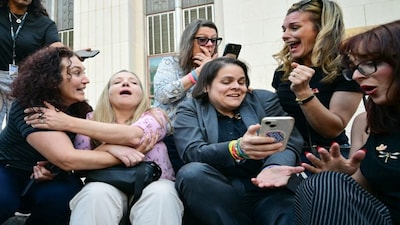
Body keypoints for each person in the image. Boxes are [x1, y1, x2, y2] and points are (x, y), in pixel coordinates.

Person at [0, 46, 165, 225]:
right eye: (76, 73)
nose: (86, 80)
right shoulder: (31, 106)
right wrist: (115, 150)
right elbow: (69, 160)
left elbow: (83, 157)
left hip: (49, 176)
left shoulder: (81, 112)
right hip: (8, 169)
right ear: (51, 78)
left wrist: (68, 125)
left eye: (83, 73)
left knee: (64, 194)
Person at [25, 70, 183, 225]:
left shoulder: (156, 115)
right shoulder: (91, 119)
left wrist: (68, 122)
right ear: (108, 93)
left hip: (156, 182)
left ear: (142, 94)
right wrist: (109, 148)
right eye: (117, 82)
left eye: (134, 82)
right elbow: (80, 166)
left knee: (162, 195)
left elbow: (136, 136)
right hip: (107, 183)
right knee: (94, 195)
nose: (126, 83)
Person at [174, 57, 304, 225]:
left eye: (241, 82)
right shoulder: (190, 108)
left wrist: (274, 167)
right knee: (191, 173)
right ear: (206, 86)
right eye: (226, 82)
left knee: (285, 213)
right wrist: (237, 149)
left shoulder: (262, 100)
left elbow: (287, 140)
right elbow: (192, 152)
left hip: (265, 187)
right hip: (218, 192)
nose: (236, 86)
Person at [295, 19, 400, 225]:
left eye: (369, 64)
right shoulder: (366, 123)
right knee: (319, 185)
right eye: (354, 68)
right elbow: (361, 193)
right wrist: (339, 177)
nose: (357, 76)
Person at [271, 0, 363, 159]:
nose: (285, 35)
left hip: (328, 157)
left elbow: (332, 129)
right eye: (284, 29)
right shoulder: (283, 72)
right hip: (288, 155)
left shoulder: (346, 70)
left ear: (321, 30)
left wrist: (304, 92)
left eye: (294, 27)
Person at [153, 19, 222, 173]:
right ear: (189, 41)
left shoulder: (217, 69)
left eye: (214, 40)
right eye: (203, 40)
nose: (210, 44)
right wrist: (198, 73)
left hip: (206, 138)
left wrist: (222, 76)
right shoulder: (171, 63)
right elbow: (163, 94)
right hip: (172, 136)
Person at [0, 0, 63, 132]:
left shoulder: (44, 23)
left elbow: (55, 46)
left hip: (25, 82)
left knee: (21, 128)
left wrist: (70, 54)